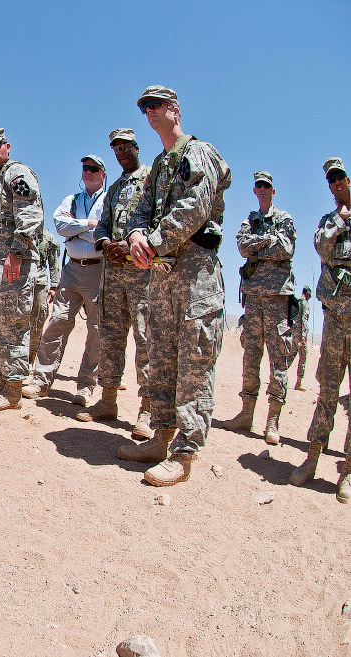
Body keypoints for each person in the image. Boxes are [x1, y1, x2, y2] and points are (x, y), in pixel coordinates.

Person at [124, 85, 231, 487]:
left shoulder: (197, 153)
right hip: (163, 273)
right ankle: (161, 437)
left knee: (194, 363)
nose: (149, 112)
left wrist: (151, 240)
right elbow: (141, 209)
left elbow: (194, 207)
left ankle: (184, 455)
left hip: (196, 273)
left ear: (175, 110)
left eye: (155, 106)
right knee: (162, 357)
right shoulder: (158, 165)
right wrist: (136, 234)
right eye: (144, 108)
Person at [77, 129, 152, 438]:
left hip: (144, 272)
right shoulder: (115, 187)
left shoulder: (153, 178)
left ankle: (148, 410)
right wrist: (107, 241)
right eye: (116, 149)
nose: (121, 152)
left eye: (125, 147)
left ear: (136, 148)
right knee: (110, 336)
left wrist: (132, 244)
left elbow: (158, 219)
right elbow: (103, 225)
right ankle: (108, 401)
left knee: (147, 340)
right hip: (113, 274)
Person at [289, 157, 351, 503]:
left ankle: (347, 472)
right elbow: (322, 247)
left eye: (341, 177)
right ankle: (312, 458)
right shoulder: (330, 221)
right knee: (327, 391)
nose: (337, 183)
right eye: (331, 180)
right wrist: (341, 219)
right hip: (336, 320)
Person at [22, 155, 107, 407]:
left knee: (96, 330)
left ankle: (86, 386)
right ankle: (41, 379)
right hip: (71, 270)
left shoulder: (109, 201)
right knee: (57, 322)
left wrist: (79, 229)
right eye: (85, 168)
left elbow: (104, 232)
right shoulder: (72, 200)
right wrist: (87, 225)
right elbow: (60, 225)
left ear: (103, 174)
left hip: (98, 270)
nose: (88, 172)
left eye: (94, 169)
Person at [222, 171, 297, 444]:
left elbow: (286, 249)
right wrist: (267, 241)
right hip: (253, 298)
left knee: (279, 358)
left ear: (273, 191)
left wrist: (258, 244)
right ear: (254, 191)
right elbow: (242, 246)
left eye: (267, 186)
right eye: (259, 186)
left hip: (278, 298)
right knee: (250, 355)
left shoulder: (284, 219)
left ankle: (273, 421)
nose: (262, 189)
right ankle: (246, 414)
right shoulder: (249, 220)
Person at [0, 128, 44, 411]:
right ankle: (3, 379)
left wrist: (17, 253)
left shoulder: (17, 174)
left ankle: (13, 389)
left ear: (7, 146)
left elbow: (29, 217)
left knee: (12, 323)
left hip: (10, 263)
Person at [29, 231, 61, 370]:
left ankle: (30, 359)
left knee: (38, 320)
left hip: (40, 283)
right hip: (18, 282)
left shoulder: (48, 237)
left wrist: (54, 285)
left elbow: (53, 262)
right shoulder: (18, 233)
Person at [293, 284, 312, 390]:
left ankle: (278, 375)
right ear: (307, 293)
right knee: (303, 357)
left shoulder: (296, 301)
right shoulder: (304, 303)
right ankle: (298, 383)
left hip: (293, 333)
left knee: (290, 355)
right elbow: (304, 319)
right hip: (300, 335)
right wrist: (304, 336)